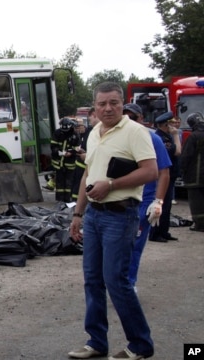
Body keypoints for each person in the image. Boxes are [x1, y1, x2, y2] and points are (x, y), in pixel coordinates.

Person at [69, 82, 156, 360]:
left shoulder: (135, 132)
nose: (108, 108)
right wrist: (77, 214)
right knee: (92, 280)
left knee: (115, 281)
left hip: (120, 215)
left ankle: (140, 345)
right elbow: (87, 175)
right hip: (94, 215)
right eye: (102, 103)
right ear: (94, 106)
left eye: (114, 103)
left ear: (123, 103)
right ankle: (96, 341)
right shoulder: (94, 133)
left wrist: (112, 184)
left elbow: (151, 171)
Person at [122, 103, 171, 292]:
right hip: (122, 199)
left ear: (141, 119)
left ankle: (129, 282)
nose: (129, 121)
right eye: (125, 117)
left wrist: (158, 202)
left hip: (144, 201)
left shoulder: (153, 138)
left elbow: (164, 172)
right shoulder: (117, 137)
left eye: (133, 118)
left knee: (135, 243)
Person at [149, 111, 182, 242]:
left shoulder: (166, 137)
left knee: (167, 206)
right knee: (161, 205)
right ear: (166, 125)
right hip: (163, 176)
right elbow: (178, 151)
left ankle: (164, 231)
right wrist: (176, 136)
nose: (175, 126)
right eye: (172, 124)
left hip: (170, 175)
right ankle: (155, 233)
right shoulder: (163, 139)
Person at [180, 112, 204, 232]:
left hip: (195, 176)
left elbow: (186, 156)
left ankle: (199, 225)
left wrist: (181, 170)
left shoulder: (193, 136)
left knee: (196, 202)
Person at [51, 117, 80, 202]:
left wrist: (71, 152)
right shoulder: (57, 133)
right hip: (58, 163)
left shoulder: (75, 135)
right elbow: (53, 146)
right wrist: (61, 153)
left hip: (70, 164)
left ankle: (68, 200)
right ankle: (60, 200)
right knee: (59, 183)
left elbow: (77, 148)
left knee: (69, 182)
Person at [71, 118, 89, 201]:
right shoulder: (75, 135)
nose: (77, 129)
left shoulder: (89, 134)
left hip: (85, 165)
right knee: (76, 185)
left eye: (79, 126)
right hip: (78, 164)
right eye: (76, 127)